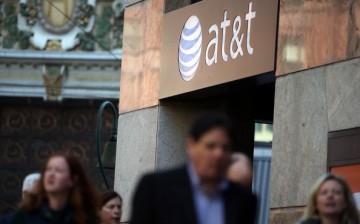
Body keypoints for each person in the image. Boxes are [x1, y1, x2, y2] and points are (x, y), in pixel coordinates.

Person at [131, 113, 257, 224]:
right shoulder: (156, 188)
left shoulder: (244, 200)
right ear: (191, 145)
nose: (219, 154)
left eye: (225, 148)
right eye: (210, 146)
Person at [9, 152, 101, 224]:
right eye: (48, 169)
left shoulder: (85, 219)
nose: (51, 174)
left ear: (72, 179)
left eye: (58, 170)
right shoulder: (26, 216)